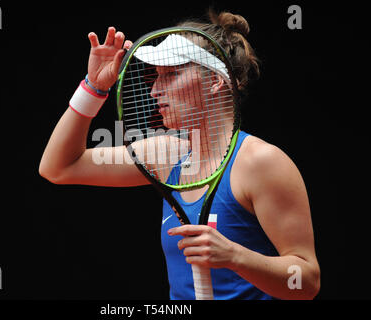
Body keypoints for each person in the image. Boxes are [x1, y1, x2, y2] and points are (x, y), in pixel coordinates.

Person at [39, 10, 320, 300]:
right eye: (156, 77)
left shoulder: (261, 162)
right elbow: (58, 167)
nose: (155, 90)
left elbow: (307, 281)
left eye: (171, 75)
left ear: (215, 80)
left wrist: (235, 256)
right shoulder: (166, 155)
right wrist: (94, 88)